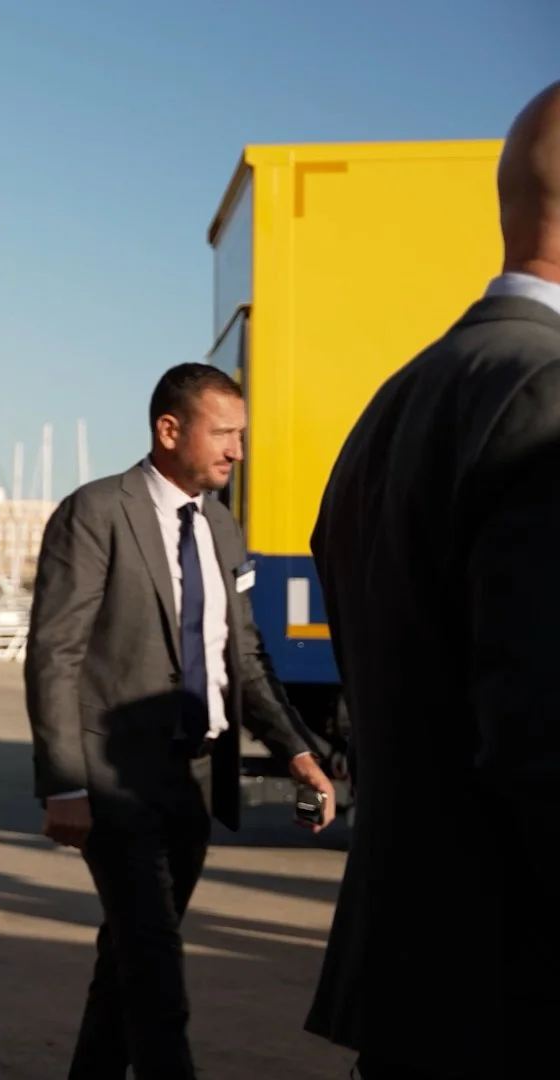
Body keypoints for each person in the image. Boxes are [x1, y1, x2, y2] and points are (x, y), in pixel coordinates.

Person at [305, 81, 560, 1079]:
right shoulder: (545, 391)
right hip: (511, 990)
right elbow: (540, 739)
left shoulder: (393, 401)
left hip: (415, 973)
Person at [25, 362, 336, 1079]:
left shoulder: (223, 528)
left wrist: (298, 752)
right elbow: (54, 654)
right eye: (223, 433)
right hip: (117, 779)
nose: (238, 451)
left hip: (195, 779)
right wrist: (65, 784)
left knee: (130, 956)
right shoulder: (96, 511)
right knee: (156, 967)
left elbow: (243, 656)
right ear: (169, 430)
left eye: (241, 435)